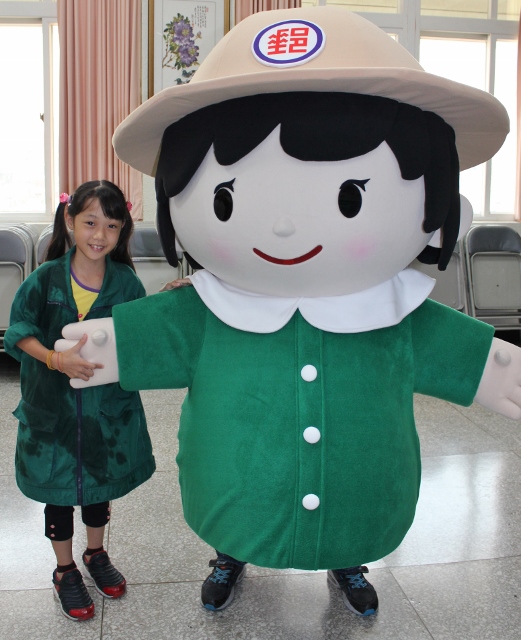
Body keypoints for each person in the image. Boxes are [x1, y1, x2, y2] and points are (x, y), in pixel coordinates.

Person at [55, 7, 518, 621]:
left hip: (365, 484)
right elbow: (155, 336)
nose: (282, 227)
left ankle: (347, 558)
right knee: (235, 500)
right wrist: (103, 349)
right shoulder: (207, 308)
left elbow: (468, 356)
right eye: (225, 197)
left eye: (350, 195)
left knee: (351, 509)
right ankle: (229, 554)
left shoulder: (395, 313)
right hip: (233, 477)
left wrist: (500, 372)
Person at [5, 180, 156, 621]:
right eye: (90, 222)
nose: (99, 235)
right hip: (52, 410)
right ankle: (65, 568)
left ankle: (95, 554)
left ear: (122, 230)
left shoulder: (126, 283)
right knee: (58, 490)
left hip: (104, 414)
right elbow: (19, 332)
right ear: (70, 221)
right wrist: (54, 358)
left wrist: (164, 309)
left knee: (96, 485)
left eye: (112, 225)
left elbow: (139, 339)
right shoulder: (44, 279)